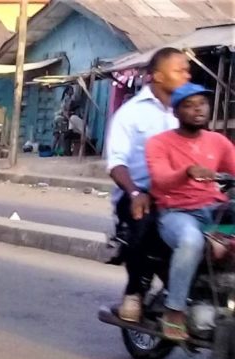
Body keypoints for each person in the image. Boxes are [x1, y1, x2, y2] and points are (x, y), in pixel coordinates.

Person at [105, 47, 190, 322]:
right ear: (157, 76)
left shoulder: (189, 112)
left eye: (188, 70)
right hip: (141, 193)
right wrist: (134, 192)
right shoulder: (131, 114)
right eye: (179, 70)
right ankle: (133, 293)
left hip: (183, 195)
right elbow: (116, 163)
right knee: (144, 221)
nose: (187, 75)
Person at [146, 84, 235, 341]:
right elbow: (160, 179)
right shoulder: (159, 143)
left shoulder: (218, 141)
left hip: (213, 210)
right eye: (189, 104)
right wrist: (186, 172)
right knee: (190, 241)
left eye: (202, 103)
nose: (198, 108)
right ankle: (174, 310)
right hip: (176, 212)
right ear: (176, 112)